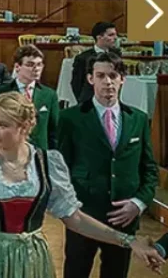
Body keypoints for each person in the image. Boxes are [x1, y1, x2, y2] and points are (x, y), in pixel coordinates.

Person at [0, 92, 164, 278]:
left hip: (32, 258)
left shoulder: (47, 163)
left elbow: (74, 218)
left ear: (25, 127)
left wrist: (128, 240)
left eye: (2, 125)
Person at [58, 50, 158, 278]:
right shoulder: (70, 119)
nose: (108, 82)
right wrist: (72, 206)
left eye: (113, 75)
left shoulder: (138, 119)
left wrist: (139, 203)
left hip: (125, 216)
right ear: (90, 79)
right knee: (76, 270)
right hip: (85, 215)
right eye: (101, 76)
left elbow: (149, 169)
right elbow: (61, 168)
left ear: (122, 78)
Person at [0, 44, 58, 150]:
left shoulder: (49, 94)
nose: (36, 69)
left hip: (39, 152)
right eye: (30, 64)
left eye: (39, 65)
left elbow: (54, 130)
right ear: (17, 67)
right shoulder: (1, 92)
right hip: (8, 149)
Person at [70, 21, 119, 105]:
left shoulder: (116, 55)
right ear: (99, 37)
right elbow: (76, 83)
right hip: (89, 102)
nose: (115, 38)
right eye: (111, 35)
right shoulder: (83, 58)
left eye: (115, 34)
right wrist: (82, 102)